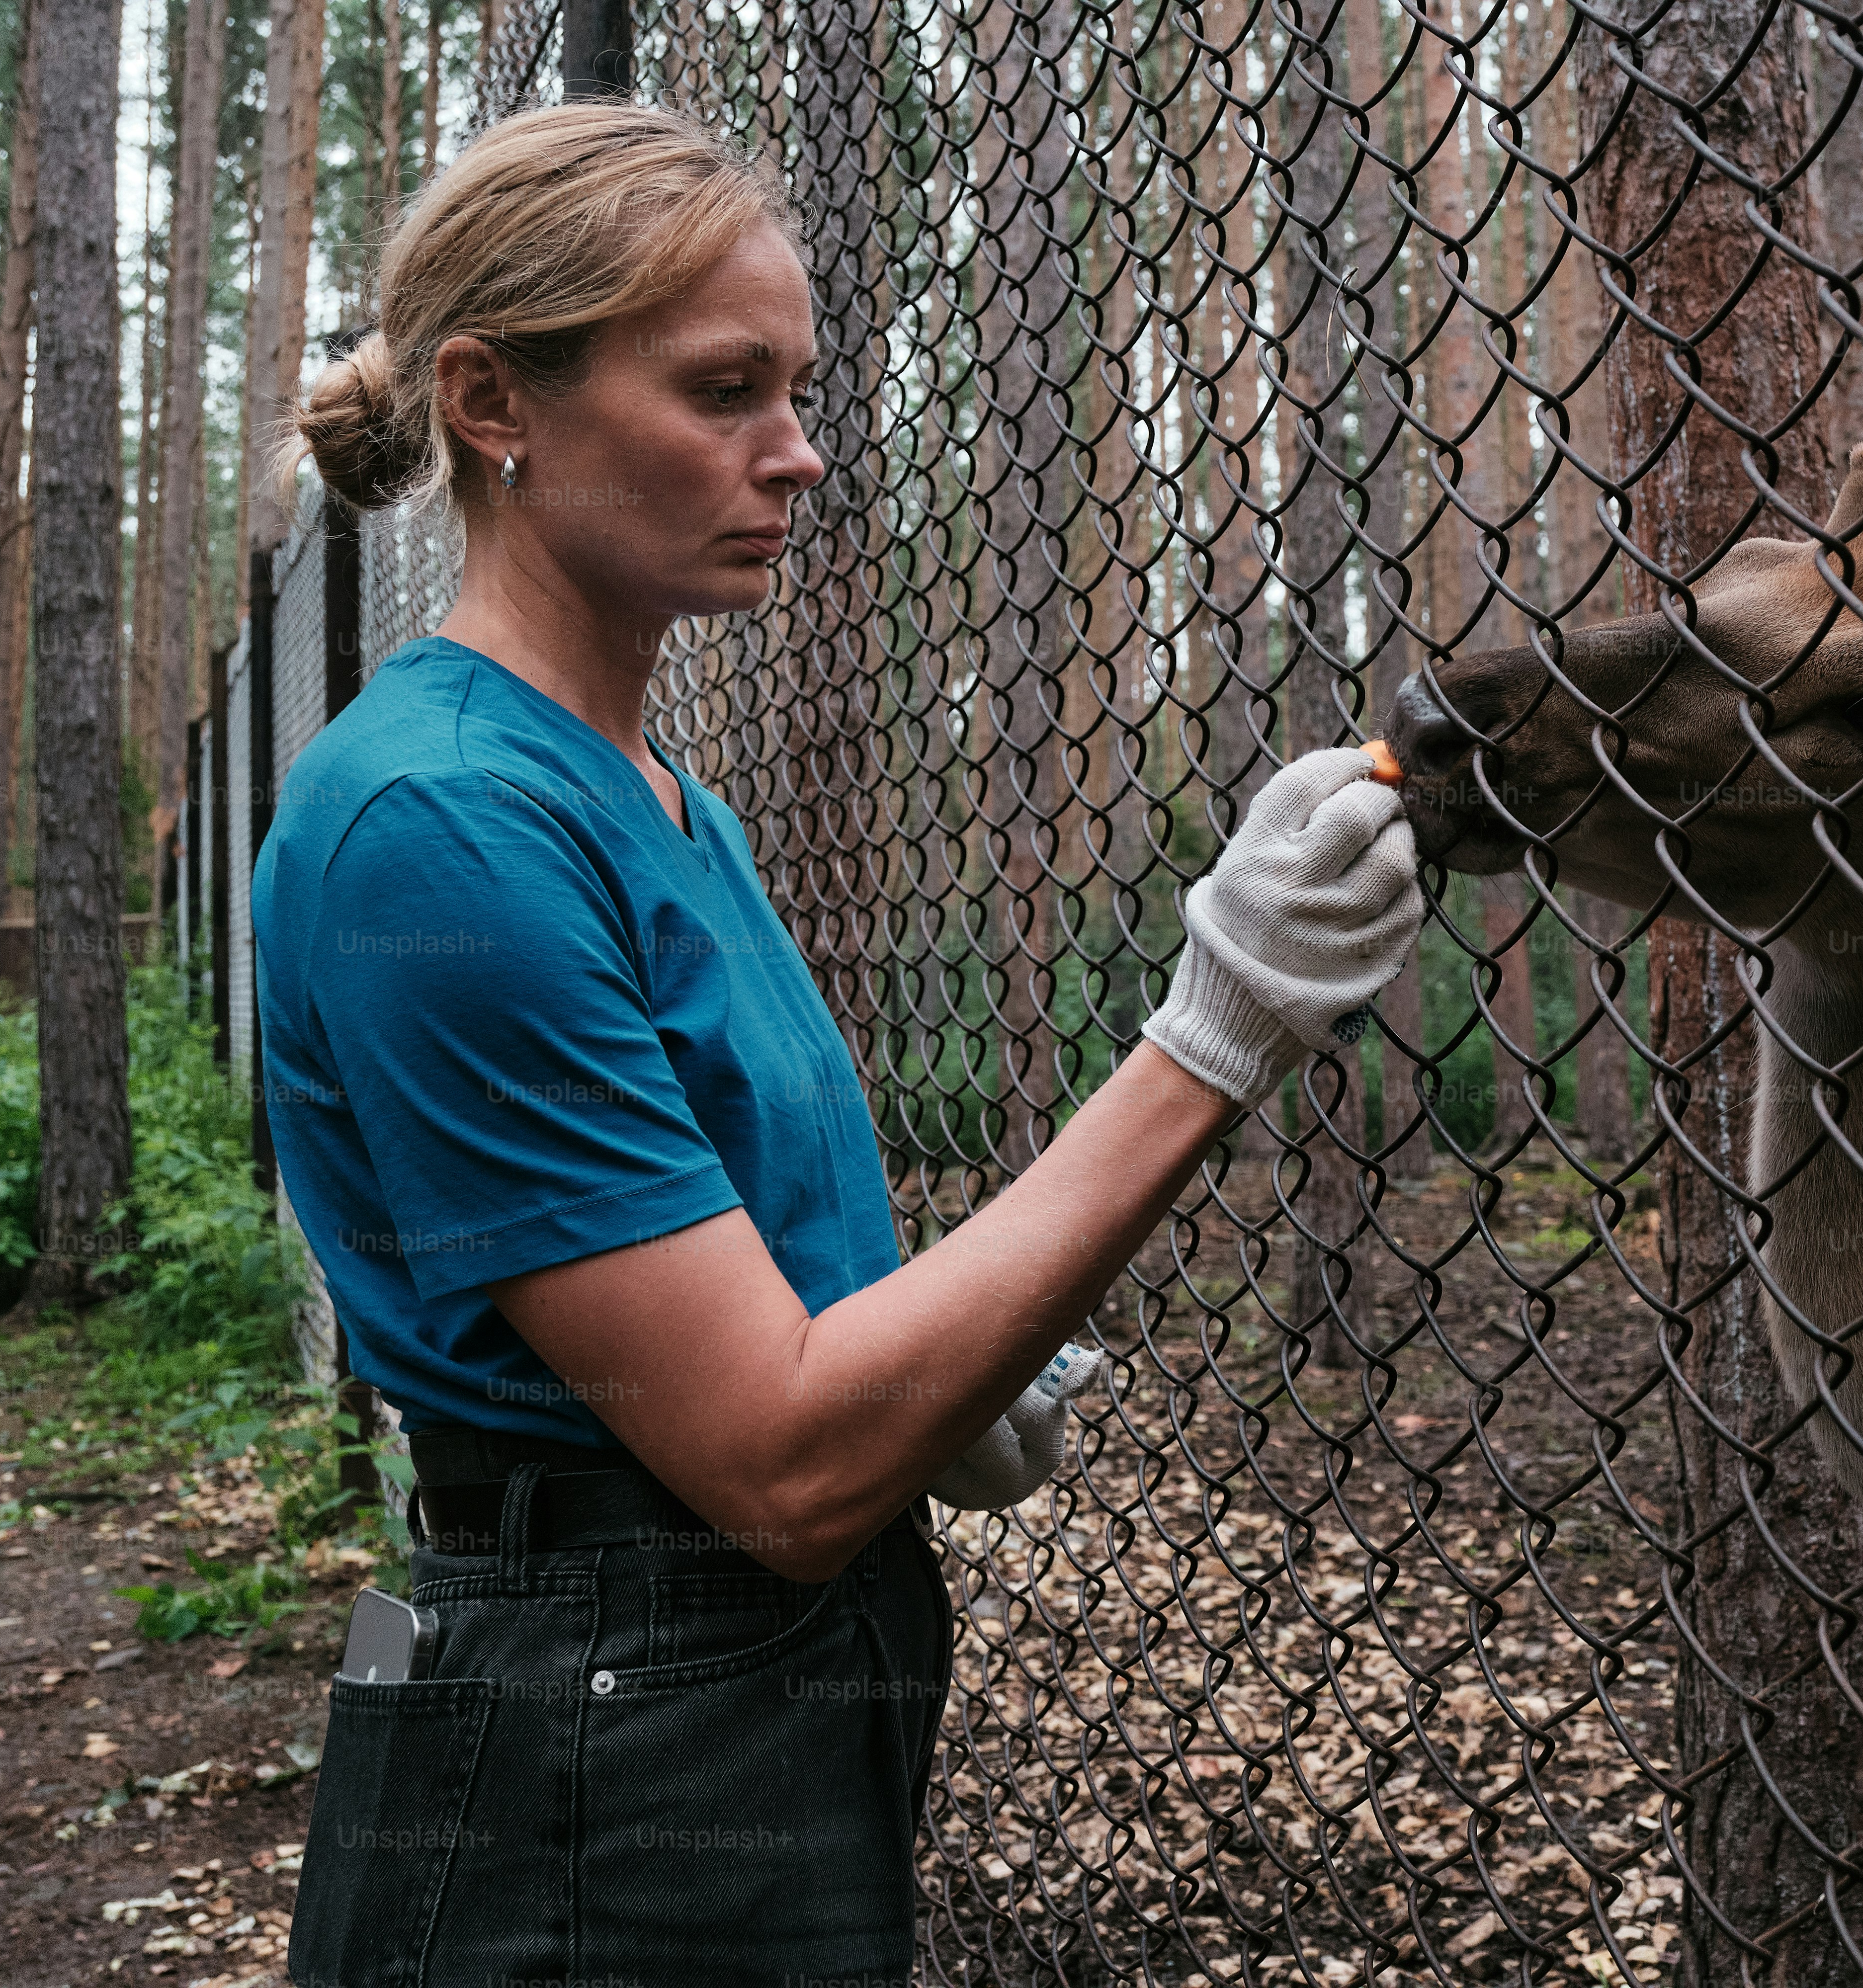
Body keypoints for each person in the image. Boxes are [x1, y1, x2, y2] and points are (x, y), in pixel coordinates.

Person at [252, 101, 1422, 1988]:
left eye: (796, 387)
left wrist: (935, 1397)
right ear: (494, 401)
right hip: (607, 1737)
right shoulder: (446, 827)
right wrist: (1219, 1028)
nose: (796, 455)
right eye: (724, 389)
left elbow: (776, 1323)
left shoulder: (645, 797)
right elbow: (783, 1463)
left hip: (703, 1686)